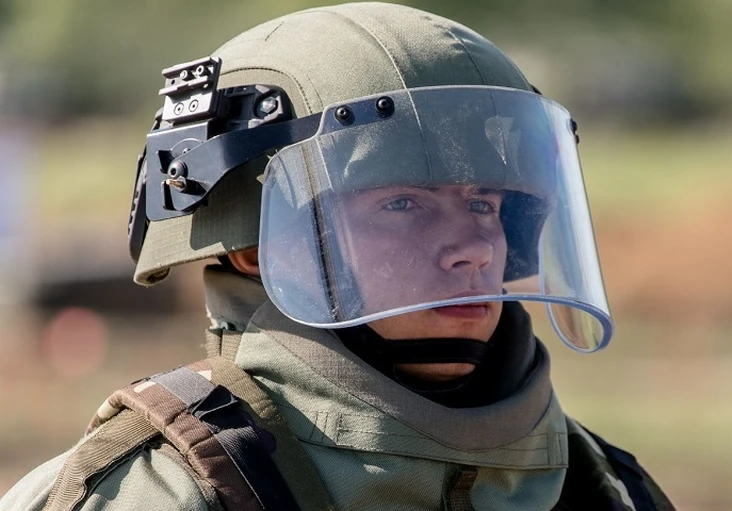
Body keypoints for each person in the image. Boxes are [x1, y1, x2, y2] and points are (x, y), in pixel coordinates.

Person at [0, 2, 675, 510]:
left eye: (484, 203)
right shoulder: (159, 492)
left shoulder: (603, 487)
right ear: (255, 249)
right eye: (402, 204)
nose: (473, 248)